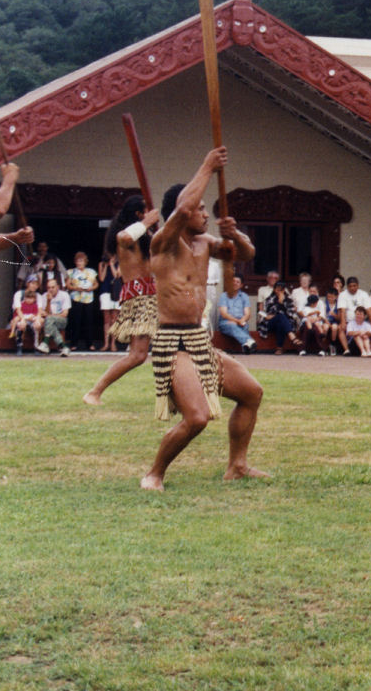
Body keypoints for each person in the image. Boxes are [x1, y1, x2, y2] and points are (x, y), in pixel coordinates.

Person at [141, 147, 264, 491]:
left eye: (206, 209)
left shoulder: (206, 243)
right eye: (200, 209)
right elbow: (181, 208)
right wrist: (208, 166)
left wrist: (233, 233)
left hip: (199, 340)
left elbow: (246, 254)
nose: (204, 214)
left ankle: (237, 466)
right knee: (196, 418)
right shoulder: (162, 243)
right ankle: (154, 473)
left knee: (252, 392)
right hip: (173, 344)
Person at [83, 199, 162, 404]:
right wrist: (147, 222)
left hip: (154, 296)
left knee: (174, 346)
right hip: (140, 299)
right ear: (138, 214)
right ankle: (95, 391)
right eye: (144, 212)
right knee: (137, 355)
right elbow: (126, 236)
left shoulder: (145, 238)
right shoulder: (125, 237)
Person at [64, 250, 100, 351]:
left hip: (88, 299)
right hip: (76, 298)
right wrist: (76, 288)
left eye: (82, 261)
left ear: (85, 261)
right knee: (76, 321)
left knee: (88, 322)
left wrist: (91, 288)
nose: (80, 263)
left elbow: (96, 284)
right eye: (78, 261)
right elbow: (68, 285)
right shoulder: (71, 272)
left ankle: (90, 344)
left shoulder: (91, 272)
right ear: (75, 262)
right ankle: (74, 344)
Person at [216, 274, 256, 353]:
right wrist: (237, 321)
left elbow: (247, 314)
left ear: (241, 285)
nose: (235, 283)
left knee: (245, 325)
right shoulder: (224, 296)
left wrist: (241, 321)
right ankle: (249, 341)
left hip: (240, 322)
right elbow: (224, 314)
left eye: (237, 282)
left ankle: (246, 345)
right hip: (226, 322)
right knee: (232, 325)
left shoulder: (244, 296)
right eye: (233, 281)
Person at [39, 277, 71, 354]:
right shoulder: (44, 296)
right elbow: (44, 313)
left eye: (53, 287)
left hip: (62, 320)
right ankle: (64, 347)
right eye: (48, 288)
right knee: (50, 323)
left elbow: (65, 314)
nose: (51, 289)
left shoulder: (64, 295)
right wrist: (49, 301)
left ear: (58, 287)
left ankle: (45, 342)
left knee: (49, 319)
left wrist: (51, 315)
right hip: (49, 321)